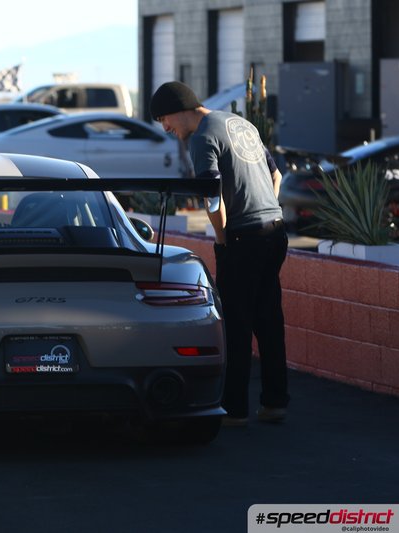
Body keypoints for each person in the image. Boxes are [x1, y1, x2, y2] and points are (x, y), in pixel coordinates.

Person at [150, 81, 289, 426]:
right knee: (269, 320)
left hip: (243, 237)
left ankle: (235, 410)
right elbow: (277, 175)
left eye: (164, 119)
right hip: (275, 230)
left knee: (237, 326)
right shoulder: (240, 124)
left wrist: (224, 240)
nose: (166, 128)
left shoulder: (202, 138)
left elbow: (212, 198)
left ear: (179, 108)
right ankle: (274, 403)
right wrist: (268, 210)